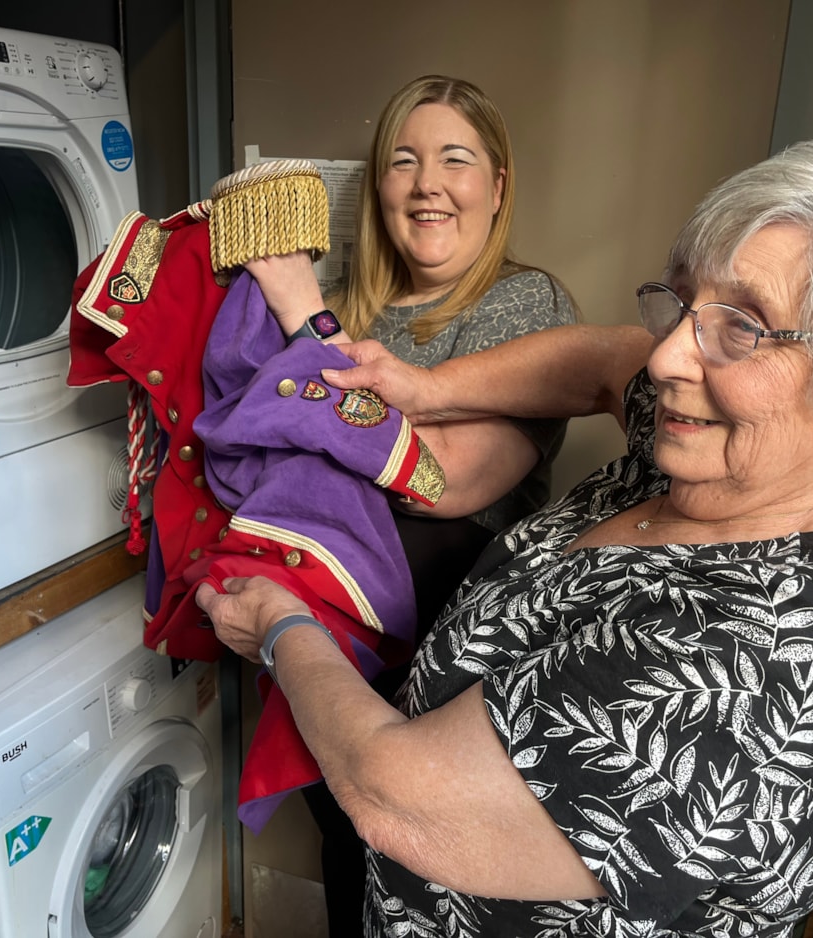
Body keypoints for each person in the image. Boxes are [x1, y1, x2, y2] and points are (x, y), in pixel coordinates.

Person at [197, 136, 813, 936]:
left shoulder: (765, 665)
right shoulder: (727, 453)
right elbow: (606, 361)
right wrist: (426, 388)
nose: (673, 353)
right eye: (682, 305)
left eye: (744, 327)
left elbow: (394, 797)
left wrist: (280, 628)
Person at [242, 74, 578, 931]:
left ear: (496, 188)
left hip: (434, 673)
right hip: (317, 646)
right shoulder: (359, 309)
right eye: (403, 160)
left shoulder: (527, 305)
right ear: (378, 188)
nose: (427, 182)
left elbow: (445, 483)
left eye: (455, 159)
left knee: (411, 874)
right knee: (345, 851)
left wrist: (302, 320)